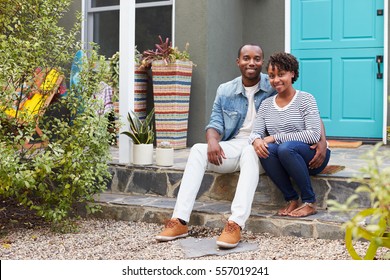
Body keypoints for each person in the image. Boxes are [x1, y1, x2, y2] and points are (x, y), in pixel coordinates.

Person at [155, 45, 328, 248]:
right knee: (197, 150)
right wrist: (212, 141)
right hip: (236, 145)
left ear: (264, 64)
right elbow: (215, 123)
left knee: (251, 150)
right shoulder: (226, 90)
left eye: (256, 59)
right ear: (238, 61)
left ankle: (235, 223)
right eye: (246, 58)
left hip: (264, 150)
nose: (251, 63)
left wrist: (323, 141)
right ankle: (179, 220)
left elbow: (309, 113)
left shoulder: (274, 82)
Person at [249, 52, 331, 218]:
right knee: (266, 149)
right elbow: (255, 132)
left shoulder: (306, 99)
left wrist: (275, 137)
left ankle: (309, 201)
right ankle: (292, 199)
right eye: (272, 76)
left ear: (292, 73)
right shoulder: (266, 105)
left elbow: (313, 135)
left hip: (312, 156)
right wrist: (256, 140)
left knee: (285, 147)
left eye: (281, 74)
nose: (276, 80)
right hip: (285, 157)